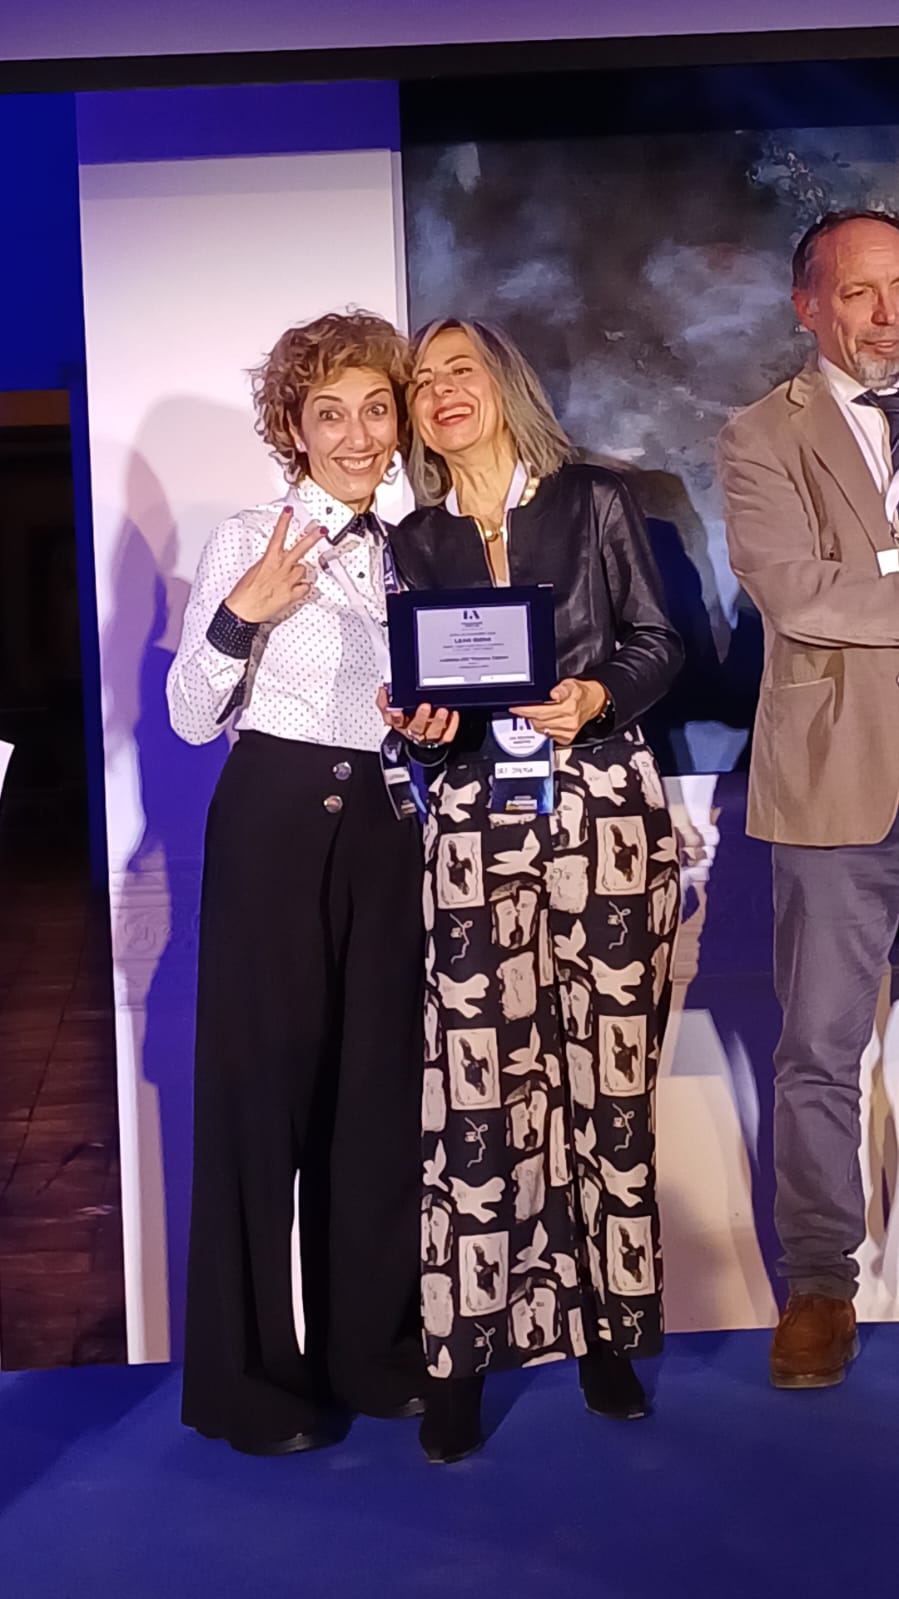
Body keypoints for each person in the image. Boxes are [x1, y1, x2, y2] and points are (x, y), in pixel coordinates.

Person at [382, 317, 683, 1462]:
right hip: (473, 820)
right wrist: (422, 724)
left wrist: (595, 696)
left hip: (600, 806)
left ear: (504, 384)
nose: (439, 392)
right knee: (475, 1092)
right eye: (421, 382)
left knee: (604, 1081)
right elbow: (422, 700)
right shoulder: (414, 540)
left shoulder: (594, 502)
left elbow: (656, 642)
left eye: (458, 370)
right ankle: (462, 1355)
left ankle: (605, 1333)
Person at [168, 310, 426, 1453]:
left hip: (383, 824)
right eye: (331, 413)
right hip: (272, 822)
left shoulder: (413, 551)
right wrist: (242, 616)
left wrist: (428, 725)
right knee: (257, 1104)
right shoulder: (248, 537)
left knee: (372, 1099)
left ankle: (367, 1356)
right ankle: (250, 1387)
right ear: (294, 426)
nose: (358, 434)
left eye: (375, 409)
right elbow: (188, 718)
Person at [717, 209, 899, 1389]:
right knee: (819, 1051)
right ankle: (818, 1287)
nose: (887, 314)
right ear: (807, 306)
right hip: (835, 787)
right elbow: (796, 593)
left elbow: (851, 589)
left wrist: (869, 579)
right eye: (859, 292)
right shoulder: (757, 435)